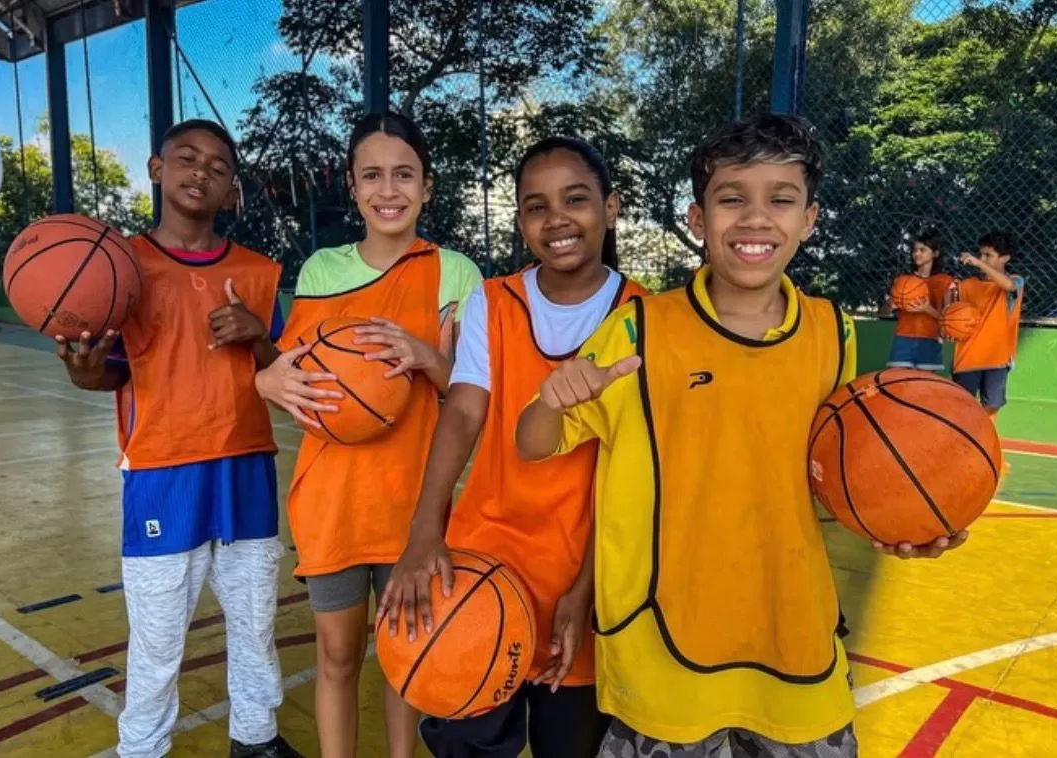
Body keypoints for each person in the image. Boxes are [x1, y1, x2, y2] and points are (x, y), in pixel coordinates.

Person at [515, 114, 965, 758]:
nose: (756, 219)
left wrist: (907, 516)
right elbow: (532, 443)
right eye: (732, 199)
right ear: (698, 220)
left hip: (794, 642)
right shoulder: (639, 329)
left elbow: (843, 473)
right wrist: (552, 399)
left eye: (780, 200)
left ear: (809, 219)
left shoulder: (831, 331)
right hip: (663, 653)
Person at [376, 136, 649, 758]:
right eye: (536, 206)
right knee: (466, 741)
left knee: (570, 744)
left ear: (610, 208)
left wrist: (587, 587)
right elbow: (463, 411)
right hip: (482, 561)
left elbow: (633, 473)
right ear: (520, 220)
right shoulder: (494, 301)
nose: (556, 219)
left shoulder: (646, 317)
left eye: (575, 200)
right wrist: (424, 530)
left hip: (584, 574)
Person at [55, 119, 293, 758]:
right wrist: (85, 374)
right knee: (158, 637)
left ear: (231, 188)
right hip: (163, 471)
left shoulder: (259, 272)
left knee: (255, 623)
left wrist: (259, 335)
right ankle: (142, 747)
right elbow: (110, 373)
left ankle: (256, 739)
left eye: (218, 166)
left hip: (246, 465)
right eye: (187, 158)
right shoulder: (118, 269)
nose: (201, 172)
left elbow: (283, 374)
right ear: (157, 169)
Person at [253, 111, 481, 758]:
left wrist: (426, 356)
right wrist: (267, 382)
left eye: (404, 175)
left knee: (404, 652)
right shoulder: (322, 271)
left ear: (427, 186)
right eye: (372, 175)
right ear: (352, 187)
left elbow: (469, 396)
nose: (389, 190)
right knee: (336, 655)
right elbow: (295, 382)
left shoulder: (455, 273)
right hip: (334, 498)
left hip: (414, 500)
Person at [952, 231, 1024, 421]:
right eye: (980, 254)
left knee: (992, 405)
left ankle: (987, 437)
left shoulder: (1015, 281)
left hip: (997, 357)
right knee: (961, 404)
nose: (982, 259)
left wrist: (978, 263)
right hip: (967, 356)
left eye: (988, 255)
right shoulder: (966, 285)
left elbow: (1008, 286)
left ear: (1005, 258)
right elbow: (951, 316)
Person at [886, 229, 954, 372]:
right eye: (915, 250)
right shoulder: (903, 281)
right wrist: (890, 305)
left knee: (924, 383)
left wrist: (927, 309)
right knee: (897, 381)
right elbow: (884, 312)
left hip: (929, 339)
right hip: (903, 337)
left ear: (935, 253)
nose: (917, 253)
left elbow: (948, 319)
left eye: (923, 250)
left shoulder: (945, 282)